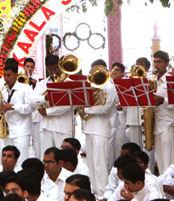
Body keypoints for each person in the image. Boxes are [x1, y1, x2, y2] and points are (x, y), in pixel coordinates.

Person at [81, 60, 117, 197]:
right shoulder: (91, 85)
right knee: (91, 164)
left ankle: (102, 194)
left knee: (100, 164)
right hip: (90, 128)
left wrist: (88, 109)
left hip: (101, 129)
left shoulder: (109, 87)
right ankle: (95, 192)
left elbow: (105, 107)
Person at [0, 61, 41, 167]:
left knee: (21, 161)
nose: (6, 78)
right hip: (8, 130)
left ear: (16, 75)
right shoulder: (3, 90)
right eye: (4, 75)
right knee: (8, 163)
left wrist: (12, 107)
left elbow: (30, 107)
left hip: (21, 130)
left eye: (9, 75)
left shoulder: (25, 88)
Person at [36, 54, 74, 151]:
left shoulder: (68, 82)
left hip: (63, 127)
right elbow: (33, 100)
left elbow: (67, 105)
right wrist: (45, 97)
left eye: (56, 68)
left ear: (60, 66)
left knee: (64, 158)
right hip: (46, 127)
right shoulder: (42, 84)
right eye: (50, 69)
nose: (53, 72)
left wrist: (47, 112)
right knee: (46, 157)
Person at [151, 50, 174, 174]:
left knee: (168, 162)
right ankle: (161, 191)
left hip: (167, 125)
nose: (156, 65)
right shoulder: (153, 81)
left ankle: (169, 190)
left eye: (159, 62)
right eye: (155, 62)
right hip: (155, 124)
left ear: (167, 64)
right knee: (160, 162)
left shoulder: (171, 81)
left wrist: (163, 100)